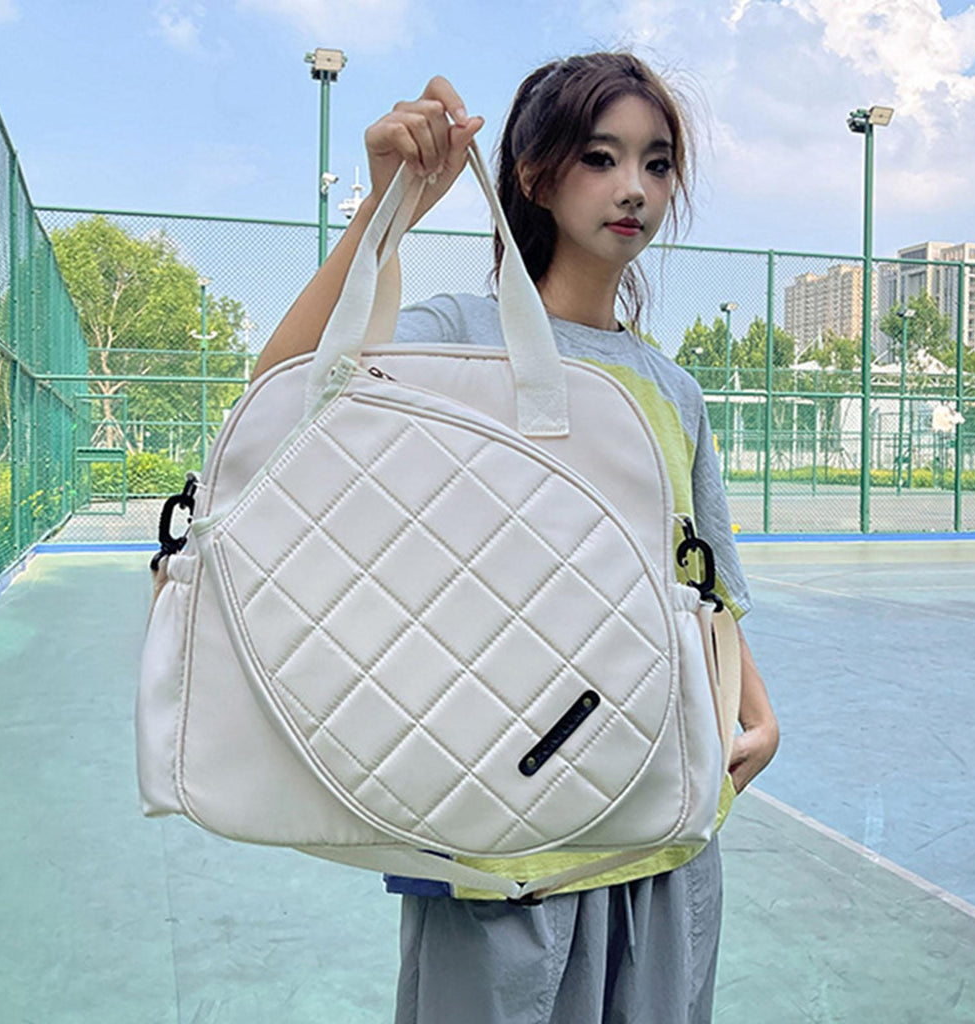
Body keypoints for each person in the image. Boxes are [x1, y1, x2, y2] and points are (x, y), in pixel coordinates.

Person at [253, 51, 779, 1024]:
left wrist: (758, 712)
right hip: (500, 839)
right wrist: (388, 211)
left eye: (657, 163)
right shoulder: (458, 335)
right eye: (600, 157)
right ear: (533, 175)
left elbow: (701, 579)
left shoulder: (671, 390)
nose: (634, 187)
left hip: (660, 828)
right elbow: (281, 401)